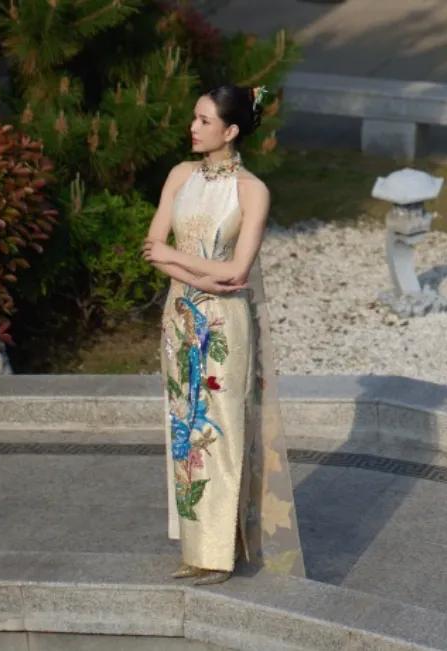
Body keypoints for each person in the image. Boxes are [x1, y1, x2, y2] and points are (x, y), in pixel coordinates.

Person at [141, 84, 306, 586]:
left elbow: (237, 271)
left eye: (204, 121)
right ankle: (196, 546)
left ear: (231, 131)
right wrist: (201, 277)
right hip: (179, 318)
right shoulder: (179, 175)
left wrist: (179, 262)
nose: (193, 128)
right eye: (194, 118)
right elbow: (151, 246)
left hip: (223, 326)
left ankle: (219, 552)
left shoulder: (252, 190)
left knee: (222, 428)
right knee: (184, 427)